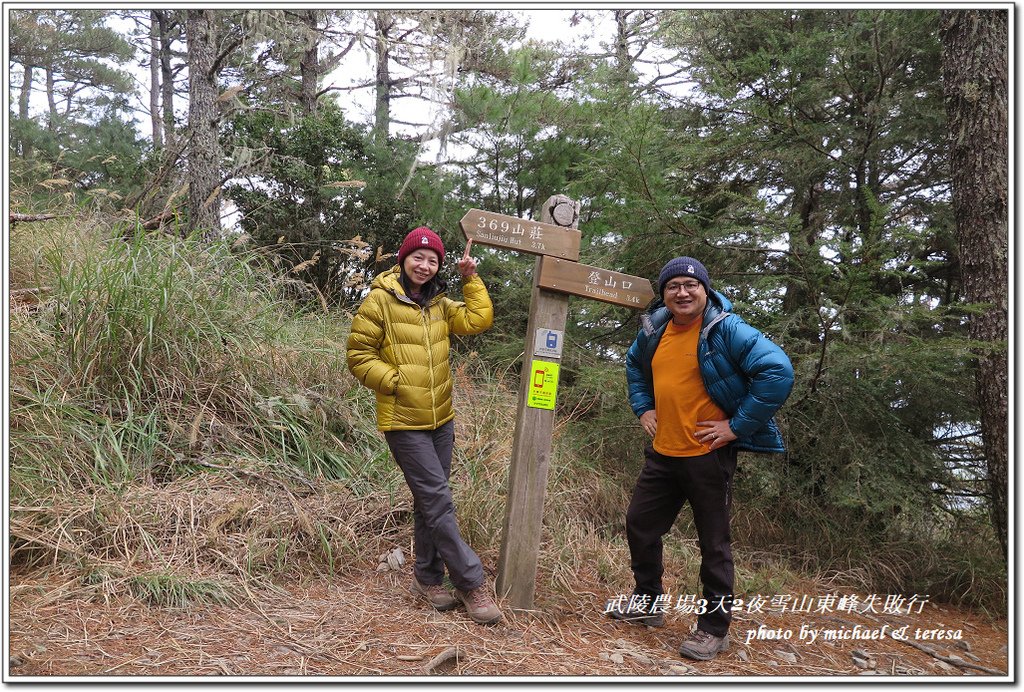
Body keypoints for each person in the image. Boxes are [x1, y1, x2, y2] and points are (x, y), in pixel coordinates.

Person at [610, 256, 794, 661]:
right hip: (663, 452)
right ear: (664, 293)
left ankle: (714, 627)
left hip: (708, 454)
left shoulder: (725, 328)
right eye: (673, 285)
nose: (682, 292)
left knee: (713, 544)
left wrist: (737, 426)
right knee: (639, 525)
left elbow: (777, 371)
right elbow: (634, 368)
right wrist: (643, 408)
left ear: (705, 290)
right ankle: (648, 603)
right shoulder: (655, 329)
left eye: (690, 285)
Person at [346, 226, 501, 625]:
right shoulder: (379, 301)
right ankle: (470, 582)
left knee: (428, 500)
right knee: (438, 499)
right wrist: (396, 382)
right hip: (403, 422)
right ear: (403, 259)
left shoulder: (442, 305)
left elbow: (479, 319)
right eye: (418, 257)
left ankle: (428, 578)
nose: (425, 265)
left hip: (441, 420)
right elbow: (358, 355)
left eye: (433, 260)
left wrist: (470, 278)